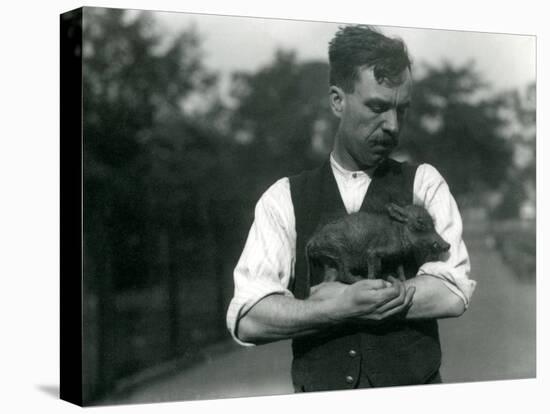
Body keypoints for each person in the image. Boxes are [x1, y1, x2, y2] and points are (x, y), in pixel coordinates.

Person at [226, 25, 476, 392]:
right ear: (337, 101)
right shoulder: (284, 198)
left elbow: (452, 291)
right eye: (376, 107)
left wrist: (339, 301)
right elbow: (249, 317)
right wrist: (337, 308)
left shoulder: (424, 183)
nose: (392, 125)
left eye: (401, 110)